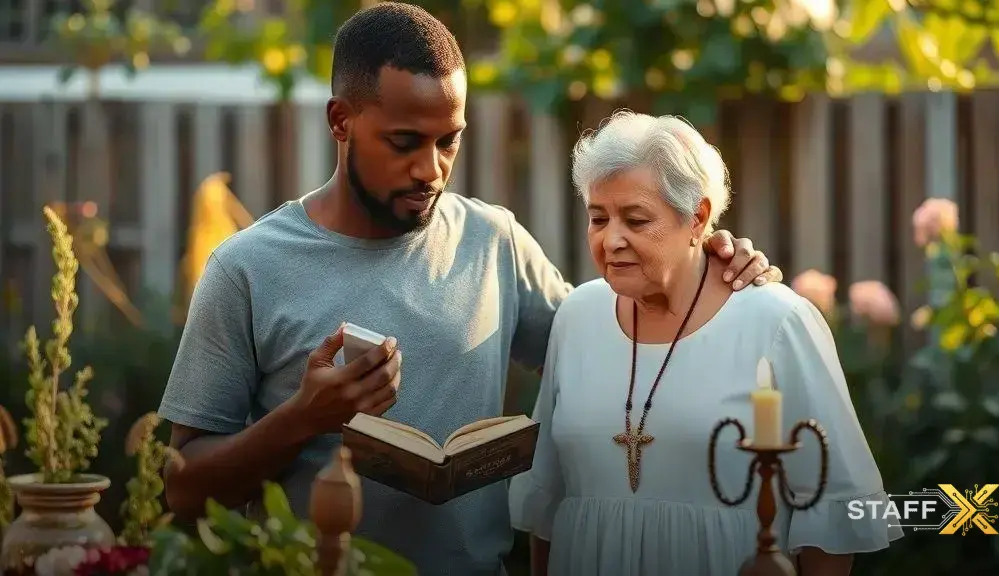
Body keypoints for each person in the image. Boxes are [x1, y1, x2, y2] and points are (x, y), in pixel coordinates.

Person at [157, 3, 781, 575]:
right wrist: (303, 418)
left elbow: (613, 345)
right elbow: (180, 491)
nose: (431, 169)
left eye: (447, 141)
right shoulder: (246, 268)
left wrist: (701, 259)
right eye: (404, 143)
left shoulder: (494, 241)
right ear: (340, 121)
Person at [508, 110, 903, 576]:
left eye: (636, 219)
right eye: (598, 218)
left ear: (696, 218)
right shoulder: (577, 316)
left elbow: (836, 510)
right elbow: (548, 501)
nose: (611, 239)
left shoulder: (776, 321)